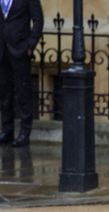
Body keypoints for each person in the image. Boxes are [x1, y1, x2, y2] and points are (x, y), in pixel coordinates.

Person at [0, 0, 44, 147]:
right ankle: (7, 130)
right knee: (5, 91)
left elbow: (38, 20)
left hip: (20, 49)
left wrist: (30, 45)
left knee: (23, 90)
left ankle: (25, 132)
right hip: (2, 49)